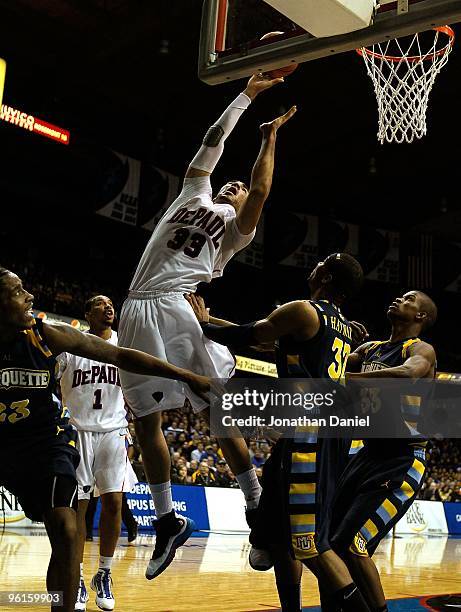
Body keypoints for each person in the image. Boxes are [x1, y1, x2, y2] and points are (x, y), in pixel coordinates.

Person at [117, 72, 297, 579]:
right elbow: (211, 142)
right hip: (137, 307)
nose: (236, 187)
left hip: (177, 307)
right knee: (146, 423)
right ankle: (169, 518)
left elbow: (260, 188)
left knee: (218, 410)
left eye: (241, 192)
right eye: (231, 184)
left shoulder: (237, 233)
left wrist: (269, 137)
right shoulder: (192, 196)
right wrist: (247, 94)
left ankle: (257, 505)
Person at [0, 268, 216, 612]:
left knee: (71, 528)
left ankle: (90, 583)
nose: (30, 296)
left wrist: (186, 376)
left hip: (49, 442)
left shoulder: (46, 335)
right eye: (17, 292)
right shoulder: (54, 344)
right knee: (79, 513)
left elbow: (121, 356)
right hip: (31, 438)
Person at [187, 253, 374, 612]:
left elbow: (253, 334)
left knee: (309, 543)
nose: (313, 267)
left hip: (311, 432)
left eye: (320, 264)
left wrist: (205, 325)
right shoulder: (341, 326)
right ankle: (266, 540)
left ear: (326, 275)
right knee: (281, 537)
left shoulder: (304, 310)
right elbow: (263, 340)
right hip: (320, 432)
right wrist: (210, 322)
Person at [328, 291, 437, 612]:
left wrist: (353, 379)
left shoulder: (419, 349)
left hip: (401, 460)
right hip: (365, 455)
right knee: (329, 544)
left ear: (421, 317)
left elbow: (408, 373)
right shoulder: (370, 348)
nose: (398, 300)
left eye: (409, 300)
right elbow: (327, 362)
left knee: (353, 544)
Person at [57, 295, 138, 611]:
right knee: (79, 509)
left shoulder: (125, 346)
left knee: (114, 502)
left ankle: (103, 573)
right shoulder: (71, 344)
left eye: (111, 304)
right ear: (87, 312)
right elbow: (48, 372)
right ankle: (75, 577)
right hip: (77, 432)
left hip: (113, 432)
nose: (109, 308)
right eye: (100, 304)